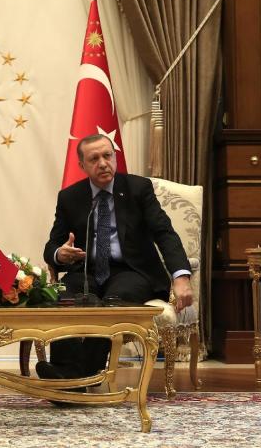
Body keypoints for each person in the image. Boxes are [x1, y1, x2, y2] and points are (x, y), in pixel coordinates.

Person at [38, 133, 193, 384]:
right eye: (94, 158)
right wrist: (60, 254)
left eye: (107, 156)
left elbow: (164, 233)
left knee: (112, 301)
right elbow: (52, 245)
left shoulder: (138, 189)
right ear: (82, 165)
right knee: (64, 296)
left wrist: (181, 276)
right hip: (87, 271)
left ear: (115, 157)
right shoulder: (70, 197)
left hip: (132, 271)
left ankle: (77, 378)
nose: (102, 163)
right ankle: (67, 374)